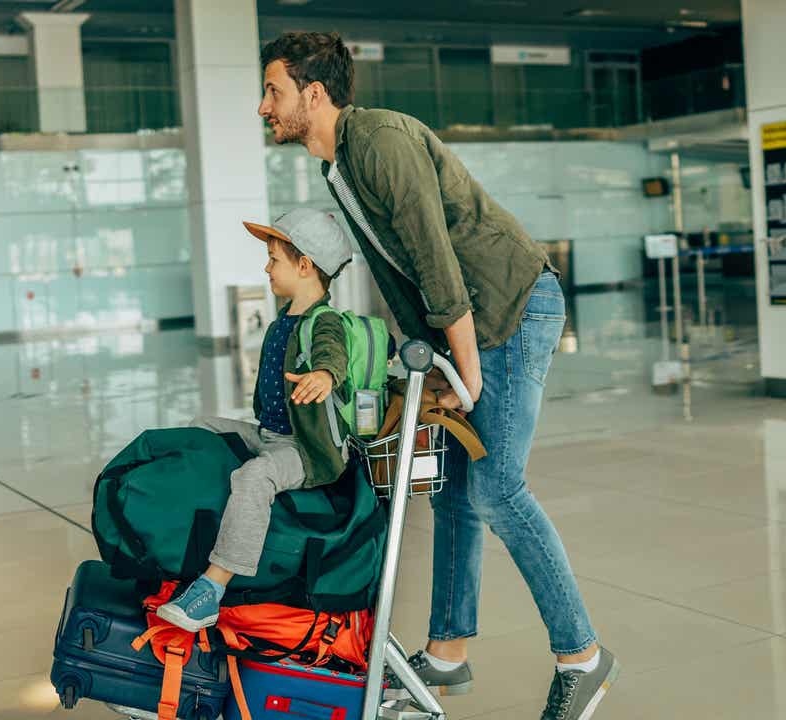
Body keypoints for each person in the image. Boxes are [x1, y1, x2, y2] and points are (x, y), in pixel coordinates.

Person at [256, 31, 618, 720]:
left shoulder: (381, 142)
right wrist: (431, 364)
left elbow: (434, 260)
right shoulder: (339, 165)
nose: (264, 106)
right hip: (465, 326)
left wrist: (468, 370)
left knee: (499, 486)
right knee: (452, 487)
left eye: (273, 91)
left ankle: (583, 657)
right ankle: (447, 653)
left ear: (313, 93)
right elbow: (402, 285)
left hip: (509, 309)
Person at [157, 208, 354, 631]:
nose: (266, 267)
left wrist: (324, 375)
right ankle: (189, 530)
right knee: (200, 426)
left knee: (255, 477)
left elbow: (332, 354)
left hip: (305, 451)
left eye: (274, 259)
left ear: (304, 266)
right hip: (269, 432)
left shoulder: (326, 321)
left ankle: (212, 588)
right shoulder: (285, 319)